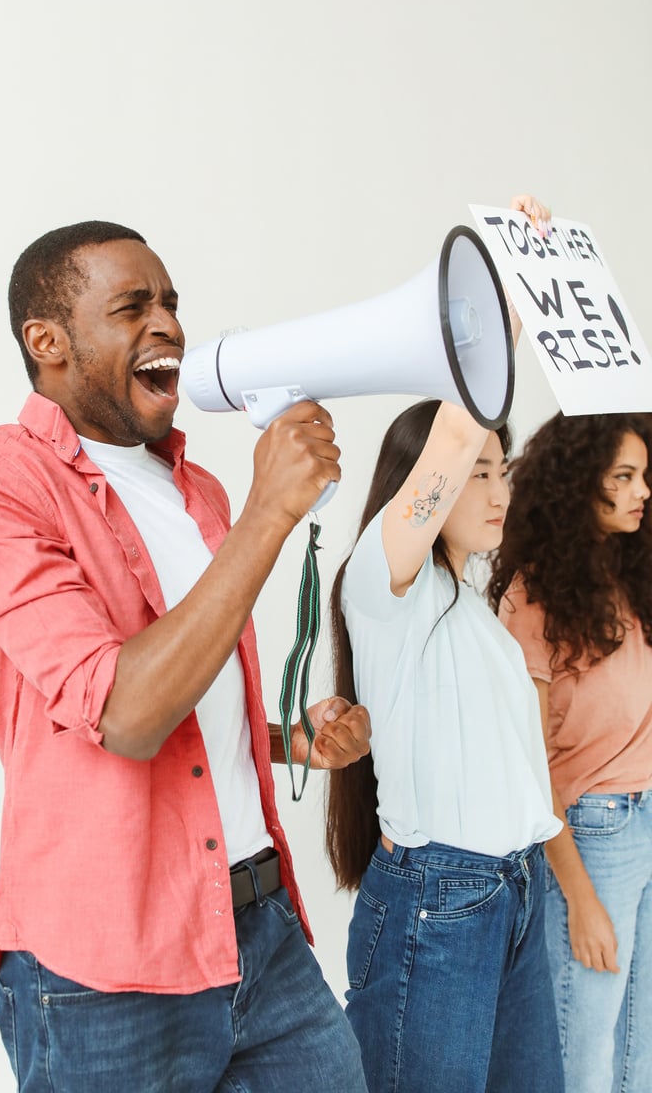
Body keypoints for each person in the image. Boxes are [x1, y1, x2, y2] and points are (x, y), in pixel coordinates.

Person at [0, 220, 371, 1093]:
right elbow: (125, 713)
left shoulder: (195, 488)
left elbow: (191, 697)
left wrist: (285, 738)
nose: (167, 324)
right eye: (133, 307)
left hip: (260, 931)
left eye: (170, 303)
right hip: (106, 974)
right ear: (48, 343)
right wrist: (268, 516)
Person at [323, 192, 565, 1093]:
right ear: (423, 487)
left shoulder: (471, 601)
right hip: (441, 902)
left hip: (512, 891)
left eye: (503, 470)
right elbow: (460, 427)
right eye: (478, 475)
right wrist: (506, 293)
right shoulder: (384, 588)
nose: (497, 490)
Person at [489, 411, 652, 1093]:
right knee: (583, 1046)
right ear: (578, 484)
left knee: (641, 1047)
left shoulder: (632, 580)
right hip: (593, 833)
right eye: (624, 477)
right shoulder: (532, 599)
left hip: (645, 816)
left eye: (645, 475)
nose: (643, 491)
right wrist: (580, 899)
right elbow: (529, 767)